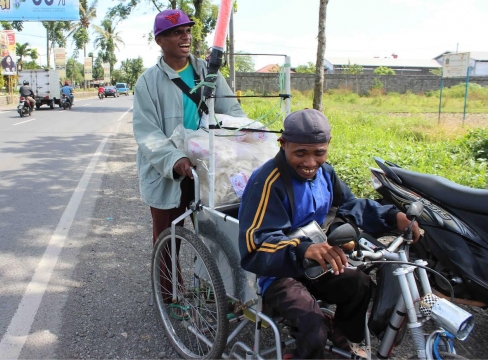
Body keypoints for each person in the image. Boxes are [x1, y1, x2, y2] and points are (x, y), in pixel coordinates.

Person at [238, 109, 420, 359]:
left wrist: (392, 216)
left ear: (328, 146)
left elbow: (349, 206)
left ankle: (343, 334)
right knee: (313, 328)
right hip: (279, 271)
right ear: (283, 144)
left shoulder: (325, 173)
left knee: (360, 284)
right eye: (300, 153)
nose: (310, 163)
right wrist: (300, 249)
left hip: (317, 261)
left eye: (319, 153)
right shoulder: (267, 182)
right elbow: (255, 246)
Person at [132, 9, 246, 299]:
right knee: (168, 238)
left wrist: (243, 140)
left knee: (216, 233)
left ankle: (219, 294)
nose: (185, 36)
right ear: (160, 40)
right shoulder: (148, 82)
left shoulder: (209, 72)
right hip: (168, 171)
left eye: (187, 30)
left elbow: (232, 113)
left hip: (209, 168)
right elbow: (147, 132)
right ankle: (169, 295)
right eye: (176, 32)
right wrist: (175, 159)